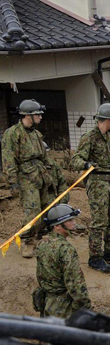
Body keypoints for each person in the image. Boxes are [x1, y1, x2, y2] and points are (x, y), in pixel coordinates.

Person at [69, 103, 110, 274]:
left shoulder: (109, 137)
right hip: (98, 184)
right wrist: (87, 164)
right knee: (99, 222)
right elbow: (75, 161)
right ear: (108, 121)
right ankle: (95, 257)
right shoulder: (89, 138)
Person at [2, 99, 68, 258]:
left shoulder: (37, 134)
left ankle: (42, 238)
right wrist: (13, 183)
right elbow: (8, 159)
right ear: (28, 116)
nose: (41, 117)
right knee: (33, 212)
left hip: (42, 176)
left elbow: (45, 158)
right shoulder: (12, 134)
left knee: (47, 208)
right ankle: (28, 242)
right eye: (38, 114)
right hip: (26, 178)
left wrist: (51, 175)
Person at [33, 204, 91, 319]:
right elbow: (75, 285)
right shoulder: (66, 250)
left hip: (46, 303)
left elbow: (41, 274)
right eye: (69, 220)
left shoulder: (42, 243)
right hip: (62, 307)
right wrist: (86, 307)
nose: (74, 222)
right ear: (57, 226)